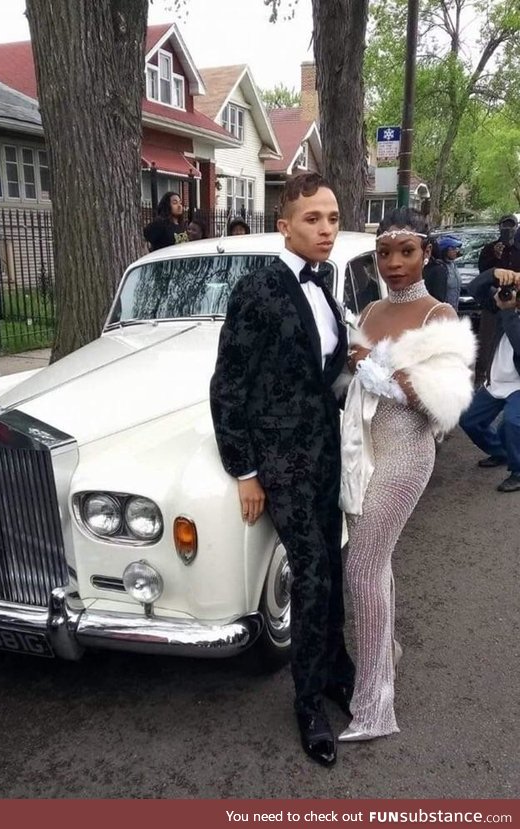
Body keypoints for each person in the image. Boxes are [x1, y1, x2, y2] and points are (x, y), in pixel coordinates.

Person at [210, 172, 354, 767]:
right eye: (313, 219)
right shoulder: (257, 290)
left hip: (325, 450)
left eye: (333, 219)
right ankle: (308, 703)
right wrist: (244, 470)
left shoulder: (326, 284)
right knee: (313, 572)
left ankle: (336, 669)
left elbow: (324, 369)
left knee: (334, 564)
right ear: (285, 225)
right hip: (281, 460)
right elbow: (228, 384)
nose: (326, 229)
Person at [337, 207, 476, 742]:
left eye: (405, 252)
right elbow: (350, 381)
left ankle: (375, 704)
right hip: (362, 448)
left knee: (364, 564)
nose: (394, 263)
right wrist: (356, 367)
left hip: (406, 451)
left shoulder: (437, 314)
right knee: (372, 560)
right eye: (384, 253)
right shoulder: (369, 308)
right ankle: (384, 646)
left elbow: (444, 404)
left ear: (425, 253)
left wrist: (381, 373)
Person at [459, 267, 520, 492]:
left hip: (518, 386)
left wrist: (509, 312)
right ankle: (500, 452)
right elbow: (475, 289)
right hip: (496, 382)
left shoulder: (508, 310)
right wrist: (494, 273)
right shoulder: (508, 302)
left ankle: (518, 470)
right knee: (468, 418)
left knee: (513, 423)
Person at [423, 235, 463, 311]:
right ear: (445, 250)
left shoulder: (453, 265)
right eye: (452, 248)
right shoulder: (439, 268)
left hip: (454, 309)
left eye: (456, 249)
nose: (456, 251)